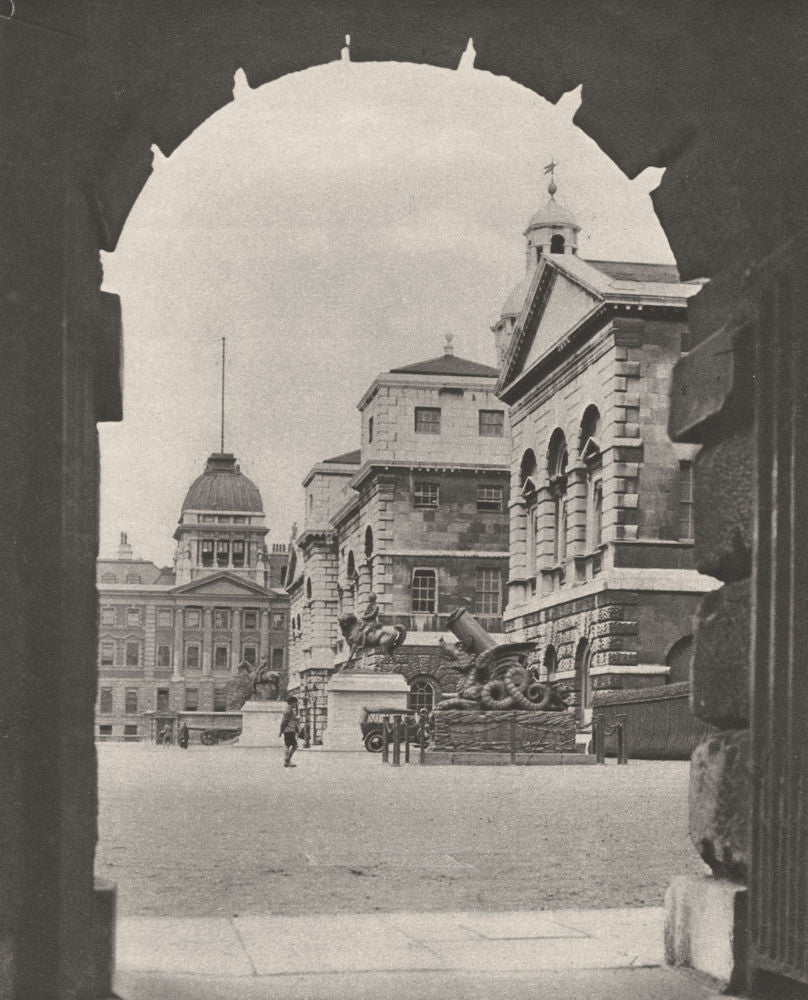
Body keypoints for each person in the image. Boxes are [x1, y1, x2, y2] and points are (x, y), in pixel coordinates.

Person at [279, 696, 300, 767]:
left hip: (289, 730)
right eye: (296, 703)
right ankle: (287, 760)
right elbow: (284, 722)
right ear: (293, 703)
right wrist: (281, 731)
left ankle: (287, 761)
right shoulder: (289, 710)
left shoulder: (289, 709)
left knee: (288, 745)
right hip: (289, 730)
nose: (296, 704)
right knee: (294, 746)